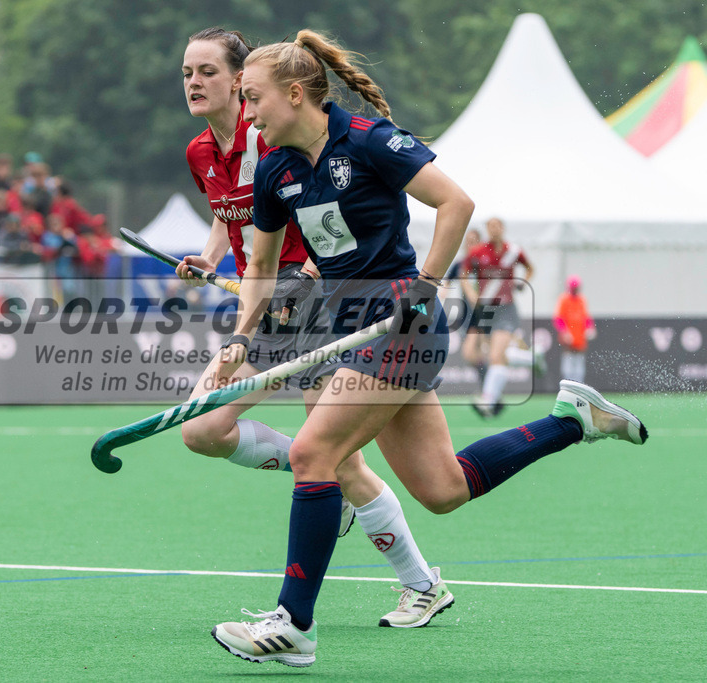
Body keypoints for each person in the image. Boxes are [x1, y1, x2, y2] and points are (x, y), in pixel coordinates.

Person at [208, 30, 648, 667]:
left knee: (313, 451)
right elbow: (263, 264)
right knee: (443, 489)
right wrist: (243, 334)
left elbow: (455, 202)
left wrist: (425, 285)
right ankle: (571, 420)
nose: (246, 115)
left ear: (296, 94)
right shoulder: (274, 169)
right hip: (344, 329)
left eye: (253, 99)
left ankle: (292, 625)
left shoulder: (366, 140)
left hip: (402, 325)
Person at [176, 27, 449, 629]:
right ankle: (320, 490)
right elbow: (235, 220)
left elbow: (326, 219)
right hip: (263, 307)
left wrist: (307, 274)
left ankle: (417, 583)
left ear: (243, 80)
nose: (195, 83)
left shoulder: (277, 130)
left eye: (208, 73)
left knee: (336, 459)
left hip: (316, 303)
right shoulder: (201, 152)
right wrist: (213, 258)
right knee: (203, 429)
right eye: (187, 73)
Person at [460, 217, 534, 418]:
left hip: (506, 310)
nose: (494, 230)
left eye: (497, 226)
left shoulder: (513, 251)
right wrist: (471, 294)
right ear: (487, 230)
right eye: (490, 227)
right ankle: (532, 359)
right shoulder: (477, 252)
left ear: (503, 228)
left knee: (495, 356)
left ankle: (489, 400)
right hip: (485, 310)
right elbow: (464, 275)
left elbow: (530, 268)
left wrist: (522, 283)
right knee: (479, 354)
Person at [554, 275, 595, 382]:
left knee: (579, 363)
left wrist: (590, 328)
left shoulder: (582, 299)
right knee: (568, 362)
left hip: (579, 338)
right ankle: (568, 385)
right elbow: (558, 319)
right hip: (568, 339)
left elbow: (586, 317)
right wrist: (565, 332)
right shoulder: (564, 299)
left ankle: (579, 385)